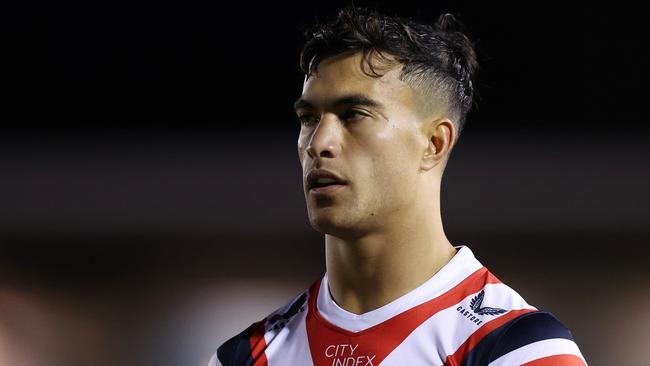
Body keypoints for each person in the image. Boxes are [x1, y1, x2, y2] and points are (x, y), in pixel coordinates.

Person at [211, 5, 587, 366]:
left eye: (353, 114)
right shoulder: (244, 357)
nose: (318, 142)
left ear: (434, 143)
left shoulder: (515, 348)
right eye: (308, 118)